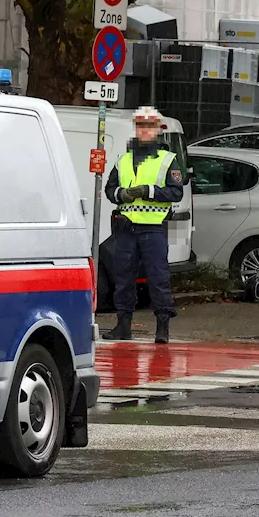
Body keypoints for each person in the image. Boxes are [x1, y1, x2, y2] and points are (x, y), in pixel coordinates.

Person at [102, 107, 183, 344]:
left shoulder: (168, 160)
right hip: (127, 229)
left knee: (158, 278)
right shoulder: (123, 160)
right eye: (140, 126)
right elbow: (109, 190)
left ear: (156, 130)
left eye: (149, 127)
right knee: (123, 278)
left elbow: (176, 192)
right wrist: (121, 194)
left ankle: (162, 328)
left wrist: (147, 191)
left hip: (153, 228)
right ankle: (123, 325)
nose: (144, 131)